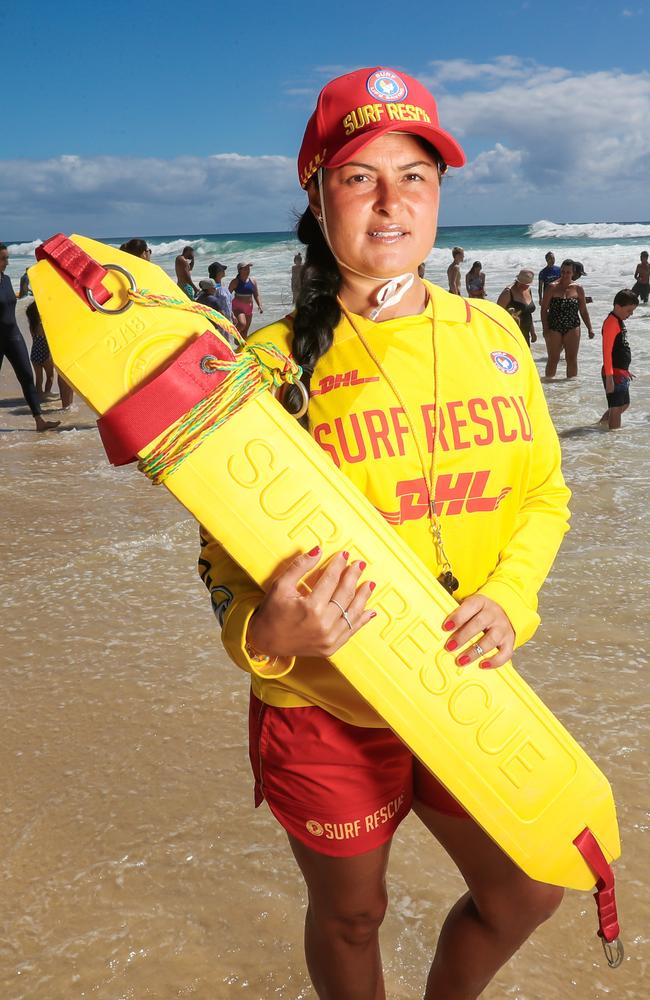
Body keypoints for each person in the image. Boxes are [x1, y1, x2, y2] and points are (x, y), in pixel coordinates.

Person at [198, 66, 570, 1000]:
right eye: (361, 176)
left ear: (441, 193)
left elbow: (544, 494)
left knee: (529, 888)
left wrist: (511, 597)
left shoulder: (494, 334)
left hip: (464, 686)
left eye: (417, 174)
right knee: (351, 917)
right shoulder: (265, 364)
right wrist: (266, 638)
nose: (393, 201)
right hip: (328, 709)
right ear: (317, 195)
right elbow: (218, 556)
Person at [0, 244, 59, 432]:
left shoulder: (7, 280)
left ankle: (39, 420)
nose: (7, 262)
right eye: (3, 259)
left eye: (7, 258)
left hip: (12, 336)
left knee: (26, 375)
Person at [540, 258, 593, 378]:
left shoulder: (578, 288)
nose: (565, 274)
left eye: (568, 272)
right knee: (553, 359)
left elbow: (583, 310)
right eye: (563, 271)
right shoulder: (552, 287)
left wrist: (590, 328)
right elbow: (544, 310)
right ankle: (549, 387)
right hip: (554, 326)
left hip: (572, 325)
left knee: (571, 359)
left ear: (573, 273)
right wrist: (545, 329)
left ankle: (571, 390)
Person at [599, 289, 638, 430]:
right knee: (615, 408)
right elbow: (607, 352)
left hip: (620, 371)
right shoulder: (611, 323)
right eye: (629, 311)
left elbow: (619, 348)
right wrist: (609, 377)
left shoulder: (618, 320)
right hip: (613, 373)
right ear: (617, 306)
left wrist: (625, 369)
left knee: (623, 404)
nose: (631, 314)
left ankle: (600, 425)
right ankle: (612, 438)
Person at [497, 269, 537, 347]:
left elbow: (528, 313)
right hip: (511, 333)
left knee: (525, 357)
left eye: (527, 284)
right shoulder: (508, 292)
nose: (524, 286)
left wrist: (532, 331)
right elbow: (497, 313)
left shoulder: (528, 290)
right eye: (522, 283)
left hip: (526, 333)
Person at [25, 300, 55, 397]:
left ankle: (39, 395)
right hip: (46, 354)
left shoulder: (32, 326)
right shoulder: (43, 326)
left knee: (39, 378)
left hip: (35, 354)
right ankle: (47, 394)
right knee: (50, 376)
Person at [228, 262, 263, 337]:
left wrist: (259, 305)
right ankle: (233, 335)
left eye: (248, 268)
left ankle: (241, 347)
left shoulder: (252, 280)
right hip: (237, 307)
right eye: (245, 268)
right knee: (242, 324)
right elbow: (227, 295)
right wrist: (229, 309)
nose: (248, 270)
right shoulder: (235, 281)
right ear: (239, 270)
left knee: (245, 331)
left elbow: (256, 294)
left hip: (249, 307)